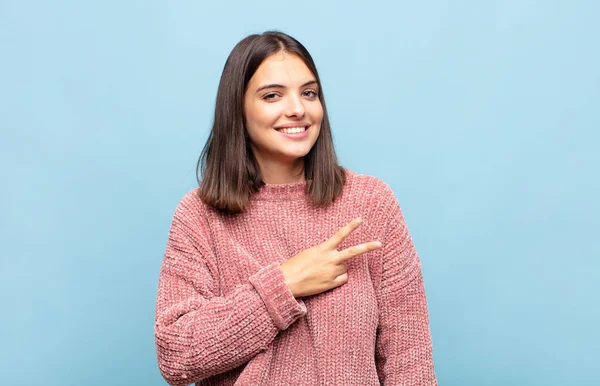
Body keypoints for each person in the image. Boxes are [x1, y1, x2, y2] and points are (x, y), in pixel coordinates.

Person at [154, 31, 437, 386]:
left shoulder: (370, 203)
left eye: (309, 93)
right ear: (238, 109)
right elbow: (176, 355)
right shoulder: (199, 216)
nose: (298, 109)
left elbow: (409, 363)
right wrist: (284, 284)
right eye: (272, 95)